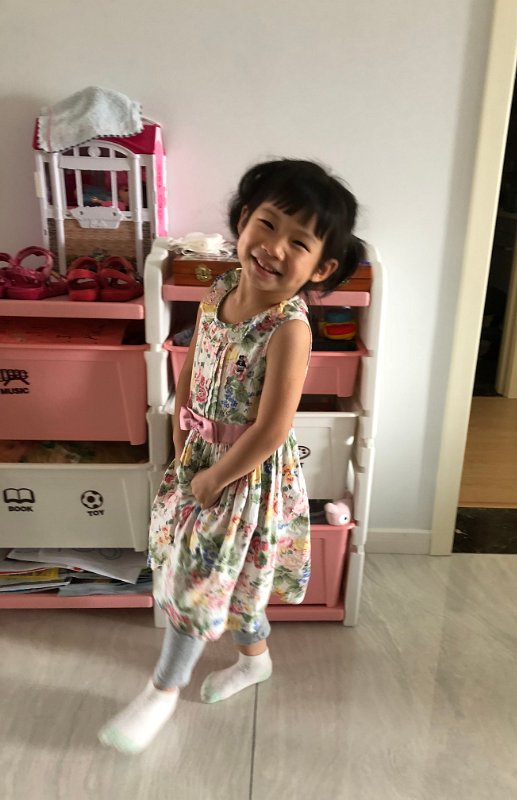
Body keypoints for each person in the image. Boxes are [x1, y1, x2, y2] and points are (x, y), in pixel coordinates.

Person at [98, 158, 365, 754]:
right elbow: (192, 363)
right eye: (267, 224)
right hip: (198, 457)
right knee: (235, 583)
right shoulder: (219, 290)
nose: (274, 248)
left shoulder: (290, 329)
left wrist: (215, 476)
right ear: (243, 221)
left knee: (197, 580)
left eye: (299, 242)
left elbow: (271, 430)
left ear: (321, 267)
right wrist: (180, 440)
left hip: (243, 475)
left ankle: (162, 692)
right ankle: (255, 660)